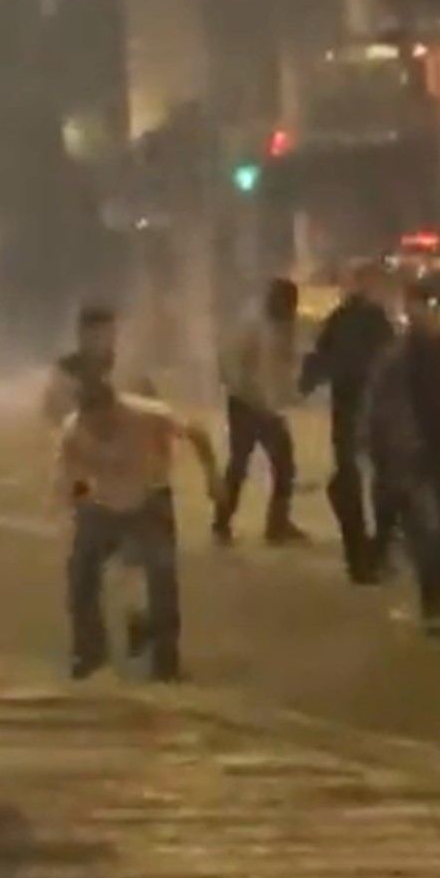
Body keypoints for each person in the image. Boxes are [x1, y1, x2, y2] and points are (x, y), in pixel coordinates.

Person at [54, 367, 224, 682]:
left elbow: (196, 433)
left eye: (105, 421)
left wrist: (212, 477)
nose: (100, 429)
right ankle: (89, 654)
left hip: (149, 499)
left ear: (115, 407)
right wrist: (80, 505)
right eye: (92, 422)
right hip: (102, 504)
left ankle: (165, 663)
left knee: (162, 580)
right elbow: (70, 476)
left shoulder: (148, 416)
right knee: (80, 578)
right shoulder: (74, 429)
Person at [364, 280, 440, 636]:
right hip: (416, 454)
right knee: (427, 531)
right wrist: (385, 448)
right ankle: (433, 604)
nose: (425, 314)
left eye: (430, 306)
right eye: (418, 306)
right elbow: (379, 406)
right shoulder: (396, 358)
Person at [300, 260, 396, 583]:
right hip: (367, 408)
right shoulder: (371, 321)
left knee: (355, 479)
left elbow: (321, 357)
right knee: (370, 481)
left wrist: (306, 383)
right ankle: (369, 554)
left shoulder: (345, 319)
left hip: (356, 407)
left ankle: (365, 554)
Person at [213, 277, 307, 546]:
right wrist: (249, 395)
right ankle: (223, 522)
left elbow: (282, 368)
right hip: (245, 404)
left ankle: (276, 524)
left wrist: (286, 396)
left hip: (267, 407)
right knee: (239, 465)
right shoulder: (251, 324)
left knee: (282, 464)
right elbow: (229, 363)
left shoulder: (283, 327)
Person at [42, 304, 118, 434]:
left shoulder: (121, 367)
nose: (107, 342)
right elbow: (52, 415)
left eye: (111, 335)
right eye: (97, 336)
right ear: (82, 337)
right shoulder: (66, 371)